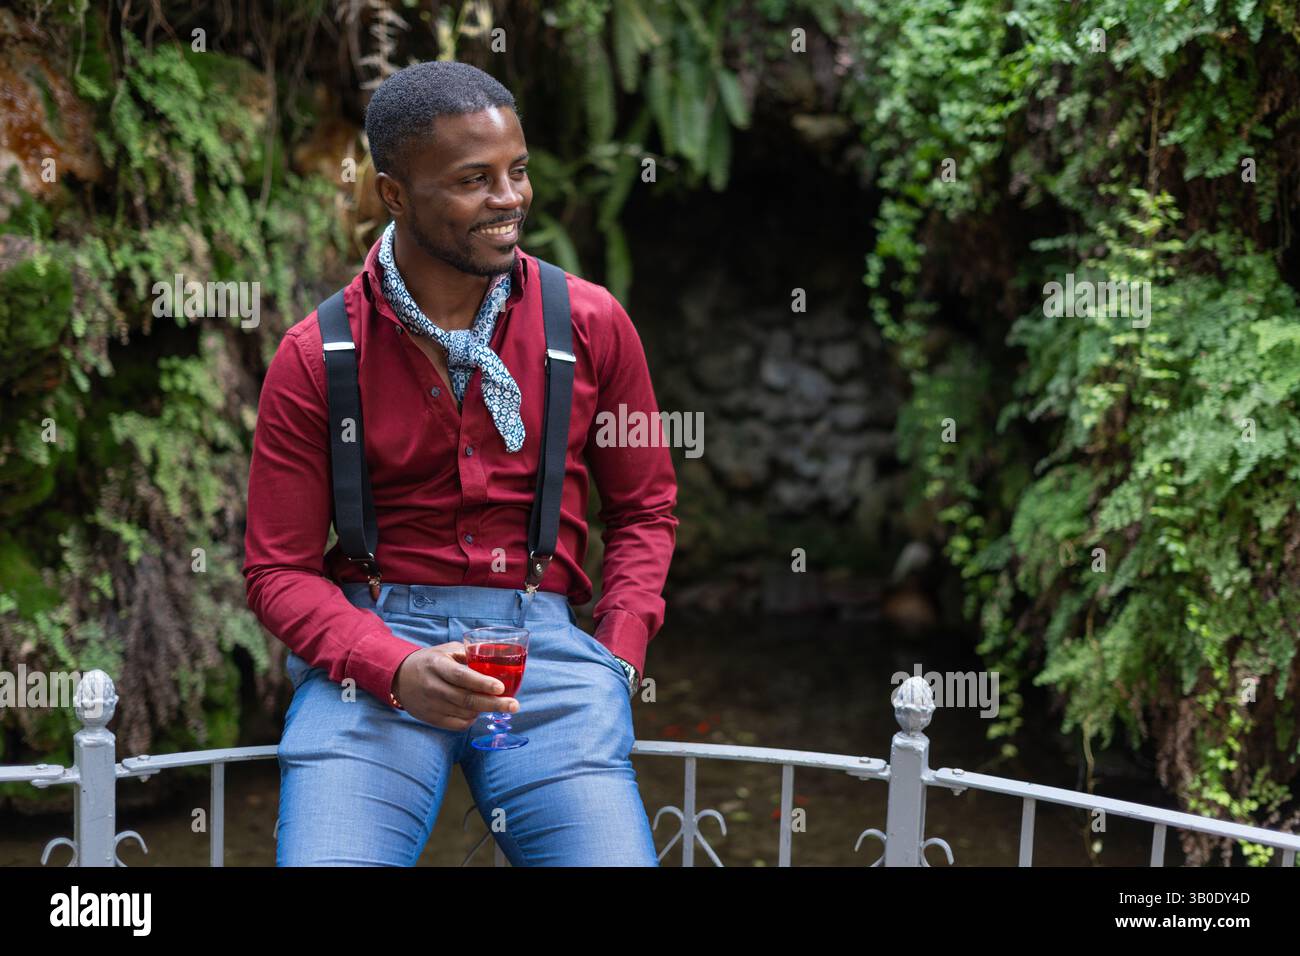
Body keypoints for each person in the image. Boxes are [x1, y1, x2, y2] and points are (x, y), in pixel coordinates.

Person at [241, 60, 678, 866]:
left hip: (547, 654)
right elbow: (277, 571)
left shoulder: (591, 324)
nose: (510, 198)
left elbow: (646, 512)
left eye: (517, 171)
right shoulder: (317, 355)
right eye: (475, 179)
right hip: (371, 657)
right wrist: (393, 665)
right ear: (396, 194)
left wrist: (615, 657)